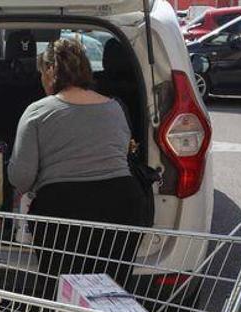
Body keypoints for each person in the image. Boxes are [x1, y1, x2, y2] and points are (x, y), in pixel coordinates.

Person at [8, 39, 146, 298]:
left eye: (41, 73)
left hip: (64, 212)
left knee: (65, 295)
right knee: (110, 296)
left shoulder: (37, 112)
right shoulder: (115, 107)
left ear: (50, 71)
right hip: (123, 206)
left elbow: (21, 178)